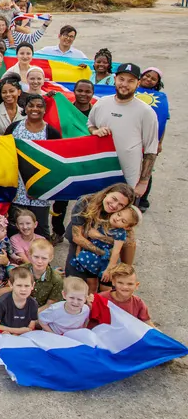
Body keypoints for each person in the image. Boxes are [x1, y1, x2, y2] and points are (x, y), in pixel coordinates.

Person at [88, 62, 159, 210]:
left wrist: (143, 182)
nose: (125, 84)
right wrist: (95, 131)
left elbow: (151, 150)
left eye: (130, 81)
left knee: (120, 220)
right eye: (121, 79)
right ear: (115, 79)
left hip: (128, 178)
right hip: (99, 175)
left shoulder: (146, 112)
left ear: (138, 83)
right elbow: (90, 124)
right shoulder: (101, 103)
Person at [7, 94, 61, 236]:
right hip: (17, 191)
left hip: (40, 194)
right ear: (25, 108)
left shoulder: (52, 133)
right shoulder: (14, 128)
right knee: (15, 229)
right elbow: (5, 156)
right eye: (31, 105)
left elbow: (56, 165)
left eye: (39, 106)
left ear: (45, 110)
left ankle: (42, 251)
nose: (35, 109)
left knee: (40, 230)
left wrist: (41, 188)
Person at [67, 205, 140, 293]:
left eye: (123, 221)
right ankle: (92, 300)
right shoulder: (101, 222)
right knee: (91, 285)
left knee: (105, 288)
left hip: (105, 264)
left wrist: (109, 269)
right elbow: (83, 237)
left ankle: (106, 300)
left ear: (127, 227)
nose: (117, 219)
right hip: (90, 261)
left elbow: (116, 252)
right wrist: (78, 252)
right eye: (118, 214)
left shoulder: (120, 233)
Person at [0, 266, 39, 335]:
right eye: (19, 285)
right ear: (11, 284)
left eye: (27, 286)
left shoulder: (33, 304)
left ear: (32, 286)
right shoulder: (1, 302)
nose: (23, 289)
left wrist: (17, 334)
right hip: (3, 332)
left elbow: (30, 327)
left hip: (22, 334)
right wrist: (17, 331)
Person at [19, 238, 63, 311]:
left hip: (42, 311)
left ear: (50, 258)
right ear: (30, 255)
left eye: (44, 258)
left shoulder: (56, 280)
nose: (39, 261)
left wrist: (32, 315)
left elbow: (50, 304)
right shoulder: (20, 271)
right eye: (36, 257)